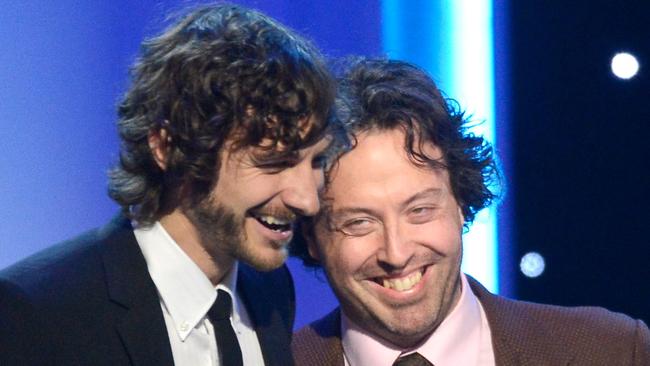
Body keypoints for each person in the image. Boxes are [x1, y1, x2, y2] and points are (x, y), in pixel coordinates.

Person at [0, 4, 344, 366]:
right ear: (169, 148)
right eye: (273, 162)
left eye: (316, 161)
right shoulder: (38, 313)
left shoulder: (271, 290)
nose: (307, 200)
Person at [290, 59, 650, 365]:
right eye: (359, 223)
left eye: (420, 210)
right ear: (311, 237)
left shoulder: (613, 351)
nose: (397, 254)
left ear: (461, 202)